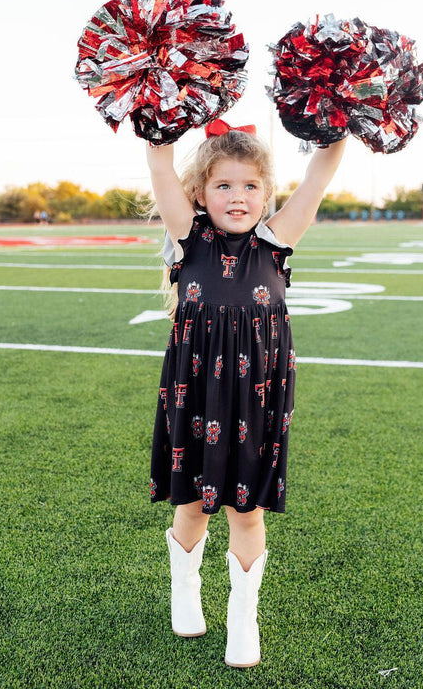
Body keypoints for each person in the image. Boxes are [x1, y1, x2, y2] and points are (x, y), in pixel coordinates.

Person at [147, 120, 346, 668]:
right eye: (224, 185)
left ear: (266, 193)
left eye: (251, 186)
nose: (239, 197)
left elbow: (319, 173)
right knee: (189, 505)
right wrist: (156, 115)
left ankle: (243, 615)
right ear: (200, 194)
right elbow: (160, 165)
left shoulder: (277, 239)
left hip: (257, 395)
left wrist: (338, 123)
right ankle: (184, 591)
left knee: (247, 510)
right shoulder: (188, 235)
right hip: (195, 389)